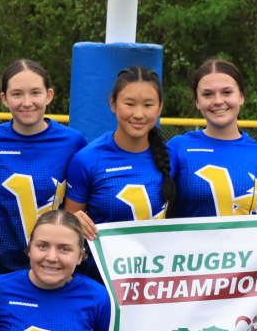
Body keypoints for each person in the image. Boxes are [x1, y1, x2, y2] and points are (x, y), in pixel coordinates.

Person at [0, 59, 86, 276]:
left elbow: (78, 208)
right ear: (4, 99)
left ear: (49, 95)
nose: (27, 102)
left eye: (35, 93)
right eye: (17, 94)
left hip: (52, 266)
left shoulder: (73, 142)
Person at [66, 67, 176, 276]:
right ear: (113, 103)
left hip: (154, 279)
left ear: (160, 107)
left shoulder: (172, 157)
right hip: (101, 280)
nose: (138, 114)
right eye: (130, 103)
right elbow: (70, 222)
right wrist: (72, 220)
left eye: (148, 105)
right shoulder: (87, 160)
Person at [167, 58, 257, 218]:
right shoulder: (178, 148)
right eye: (207, 94)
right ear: (197, 102)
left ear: (241, 97)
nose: (218, 101)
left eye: (227, 92)